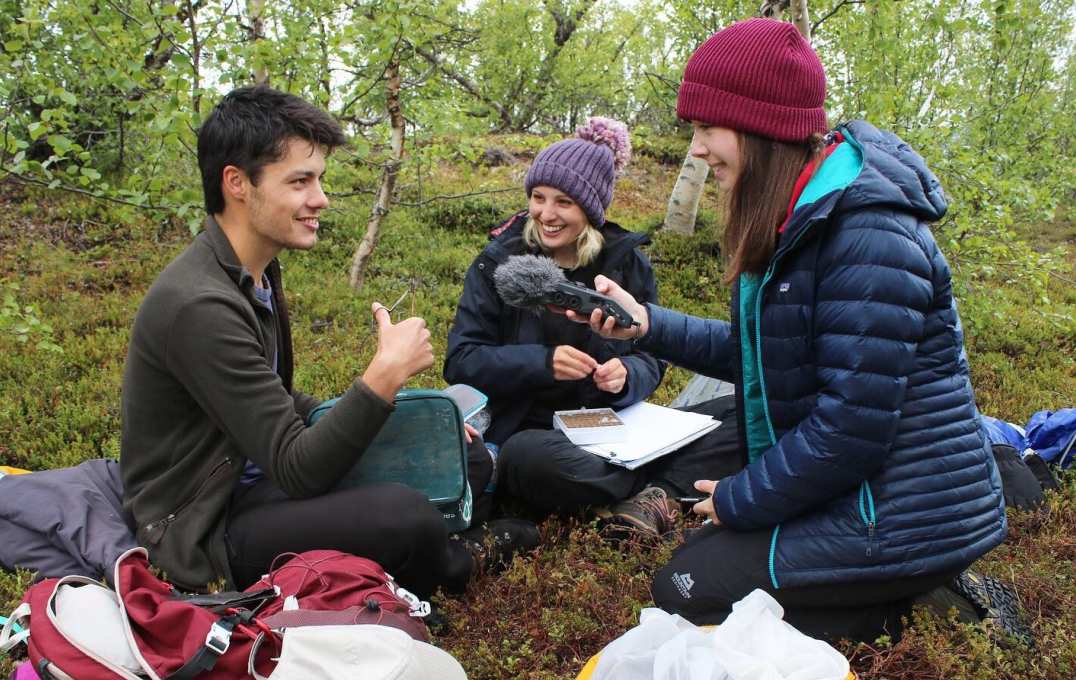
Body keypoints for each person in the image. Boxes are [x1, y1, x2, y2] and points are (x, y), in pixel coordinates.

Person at [571, 19, 1008, 641]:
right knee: (692, 579)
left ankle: (931, 607)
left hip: (906, 512)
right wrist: (646, 325)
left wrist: (740, 499)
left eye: (706, 128)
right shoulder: (798, 218)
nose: (695, 148)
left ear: (761, 128)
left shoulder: (868, 236)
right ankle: (898, 593)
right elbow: (758, 354)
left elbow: (853, 428)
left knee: (685, 591)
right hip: (863, 493)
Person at [120, 85, 535, 597]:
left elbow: (277, 399)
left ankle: (432, 535)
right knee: (400, 515)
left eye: (319, 179)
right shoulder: (199, 306)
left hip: (251, 476)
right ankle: (455, 560)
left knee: (456, 454)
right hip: (205, 525)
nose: (321, 199)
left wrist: (406, 418)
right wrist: (383, 376)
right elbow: (298, 469)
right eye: (300, 181)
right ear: (237, 184)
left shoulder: (254, 270)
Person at [445, 118, 732, 537]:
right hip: (532, 435)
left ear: (592, 208)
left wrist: (626, 376)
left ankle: (639, 484)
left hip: (616, 427)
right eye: (538, 197)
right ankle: (658, 485)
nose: (546, 213)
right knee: (529, 460)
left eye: (563, 201)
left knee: (739, 413)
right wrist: (543, 363)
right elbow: (461, 360)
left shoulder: (626, 263)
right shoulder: (498, 263)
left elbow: (651, 357)